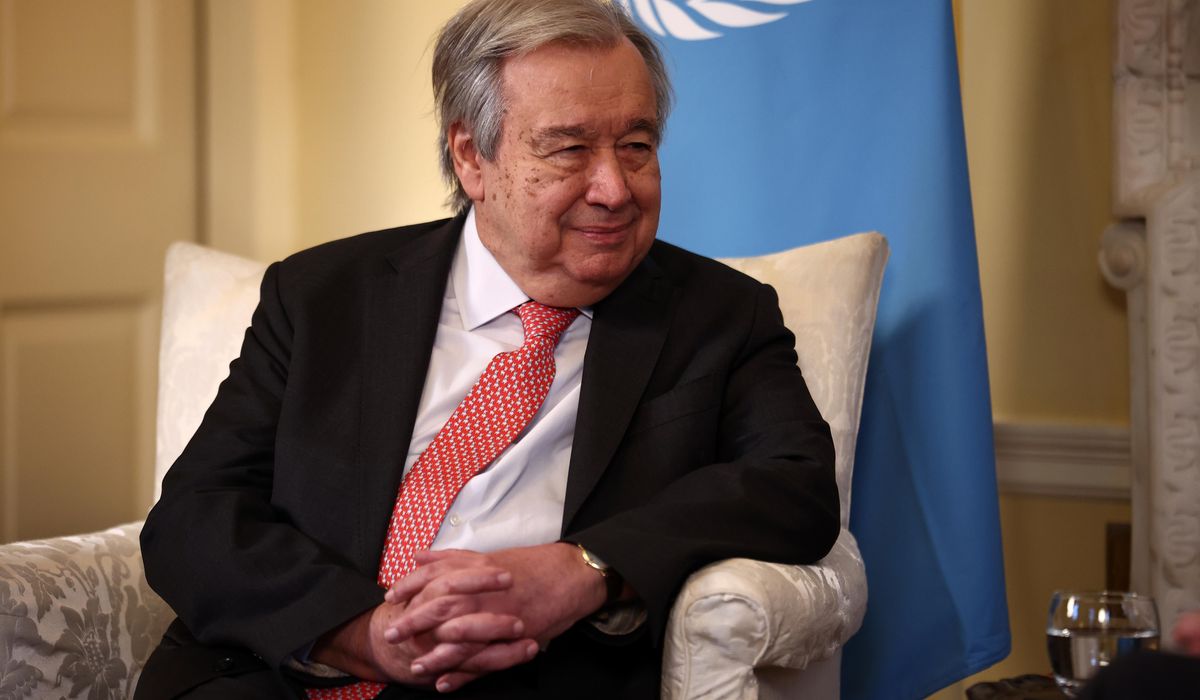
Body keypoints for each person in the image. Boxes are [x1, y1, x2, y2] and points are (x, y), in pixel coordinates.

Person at [136, 0, 839, 698]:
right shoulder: (323, 294)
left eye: (636, 146)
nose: (614, 189)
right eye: (569, 149)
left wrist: (586, 567)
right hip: (287, 670)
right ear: (471, 155)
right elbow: (197, 514)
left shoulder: (720, 315)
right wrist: (363, 632)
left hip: (526, 674)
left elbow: (796, 486)